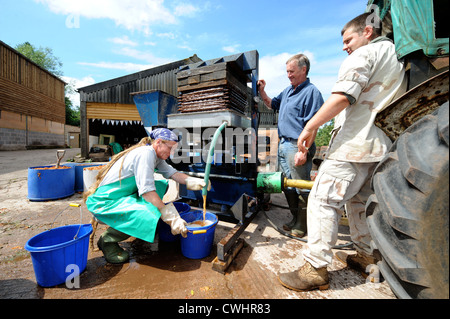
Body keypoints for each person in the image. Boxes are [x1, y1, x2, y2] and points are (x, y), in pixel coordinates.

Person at [278, 12, 407, 291]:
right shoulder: (396, 57)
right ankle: (364, 255)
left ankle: (315, 268)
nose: (345, 46)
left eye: (349, 39)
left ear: (368, 32)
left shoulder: (364, 55)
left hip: (354, 145)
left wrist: (310, 126)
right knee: (359, 203)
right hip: (379, 146)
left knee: (322, 199)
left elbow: (343, 96)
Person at [84, 128, 210, 264]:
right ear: (159, 143)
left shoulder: (156, 156)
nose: (172, 153)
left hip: (123, 195)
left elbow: (173, 174)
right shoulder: (145, 154)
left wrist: (193, 181)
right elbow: (147, 192)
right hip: (105, 201)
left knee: (161, 184)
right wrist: (171, 217)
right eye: (170, 148)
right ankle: (107, 241)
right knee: (147, 215)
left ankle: (145, 223)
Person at [258, 54, 324, 238]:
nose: (288, 75)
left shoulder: (312, 92)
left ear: (304, 69)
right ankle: (295, 218)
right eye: (287, 71)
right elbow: (272, 104)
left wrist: (303, 150)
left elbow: (314, 124)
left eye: (292, 71)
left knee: (301, 186)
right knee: (286, 185)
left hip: (297, 145)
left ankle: (303, 225)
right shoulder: (287, 91)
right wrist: (263, 90)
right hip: (283, 144)